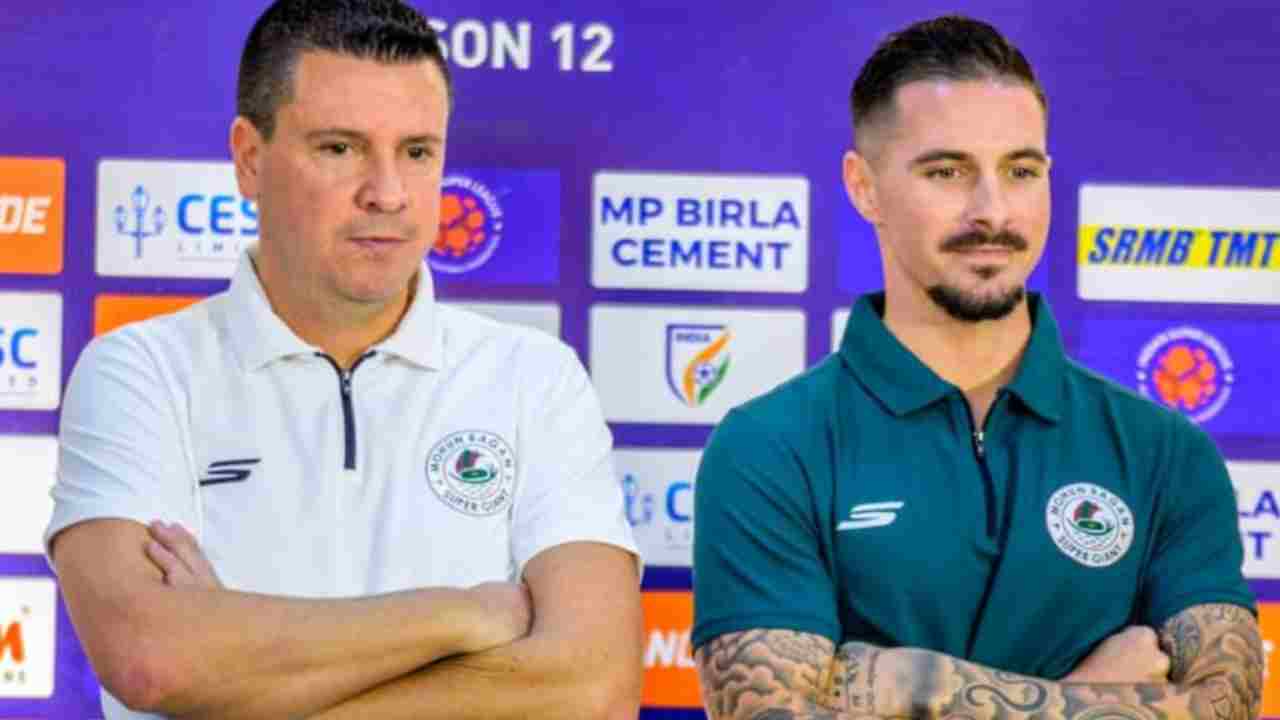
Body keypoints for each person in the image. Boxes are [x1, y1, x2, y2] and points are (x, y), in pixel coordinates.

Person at [45, 2, 642, 718]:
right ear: (249, 157)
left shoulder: (535, 378)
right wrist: (465, 614)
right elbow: (152, 660)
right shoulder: (140, 372)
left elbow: (593, 691)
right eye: (340, 149)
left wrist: (237, 665)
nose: (387, 193)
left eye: (417, 152)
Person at [691, 15, 1261, 720]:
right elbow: (768, 712)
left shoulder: (1165, 451)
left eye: (1021, 171)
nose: (992, 212)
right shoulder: (769, 446)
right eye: (947, 172)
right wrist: (1086, 700)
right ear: (864, 187)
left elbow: (1220, 706)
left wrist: (912, 684)